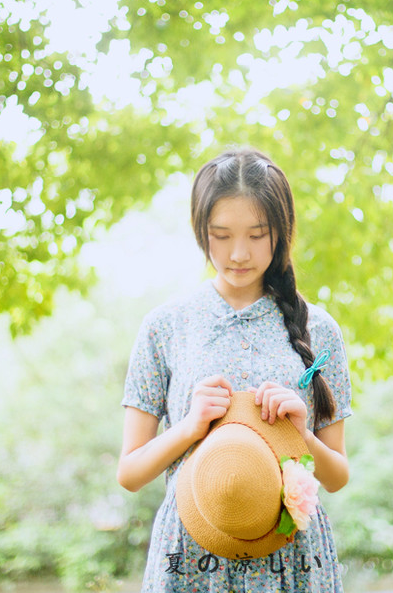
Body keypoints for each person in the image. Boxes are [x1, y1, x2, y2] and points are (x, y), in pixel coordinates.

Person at [117, 147, 353, 591]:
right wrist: (189, 426)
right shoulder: (165, 327)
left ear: (281, 232)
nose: (239, 253)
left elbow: (338, 477)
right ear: (200, 231)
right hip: (190, 555)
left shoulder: (318, 329)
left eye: (257, 234)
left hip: (293, 558)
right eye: (220, 235)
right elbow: (129, 473)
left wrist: (298, 435)